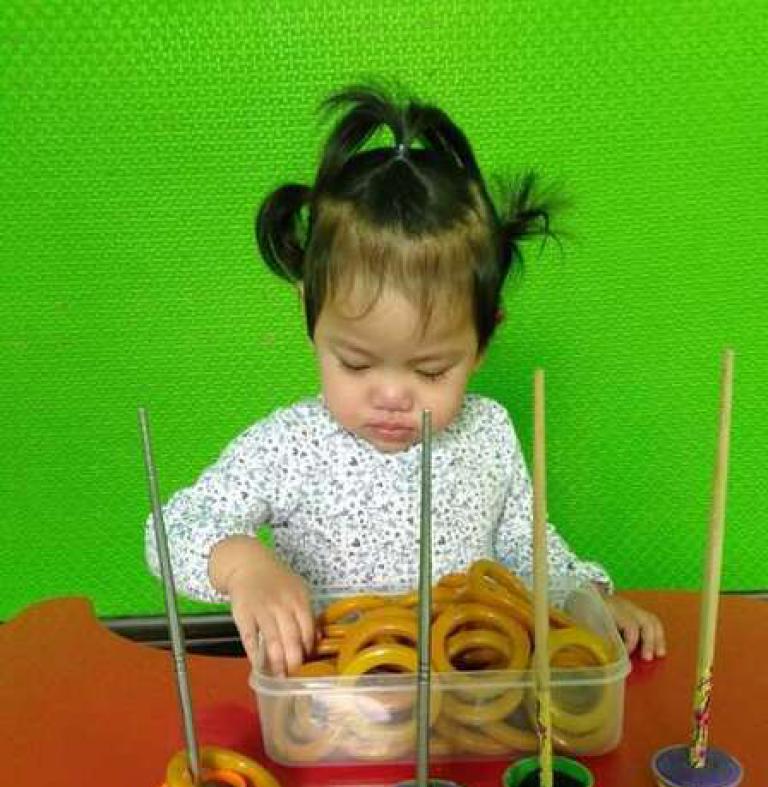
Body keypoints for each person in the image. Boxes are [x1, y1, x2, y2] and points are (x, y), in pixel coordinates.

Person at [146, 83, 665, 675]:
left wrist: (584, 598)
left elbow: (527, 543)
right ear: (310, 317)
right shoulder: (290, 446)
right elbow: (171, 529)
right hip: (331, 699)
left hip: (468, 691)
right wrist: (244, 567)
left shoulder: (488, 432)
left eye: (431, 370)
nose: (392, 395)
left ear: (484, 341)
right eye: (356, 363)